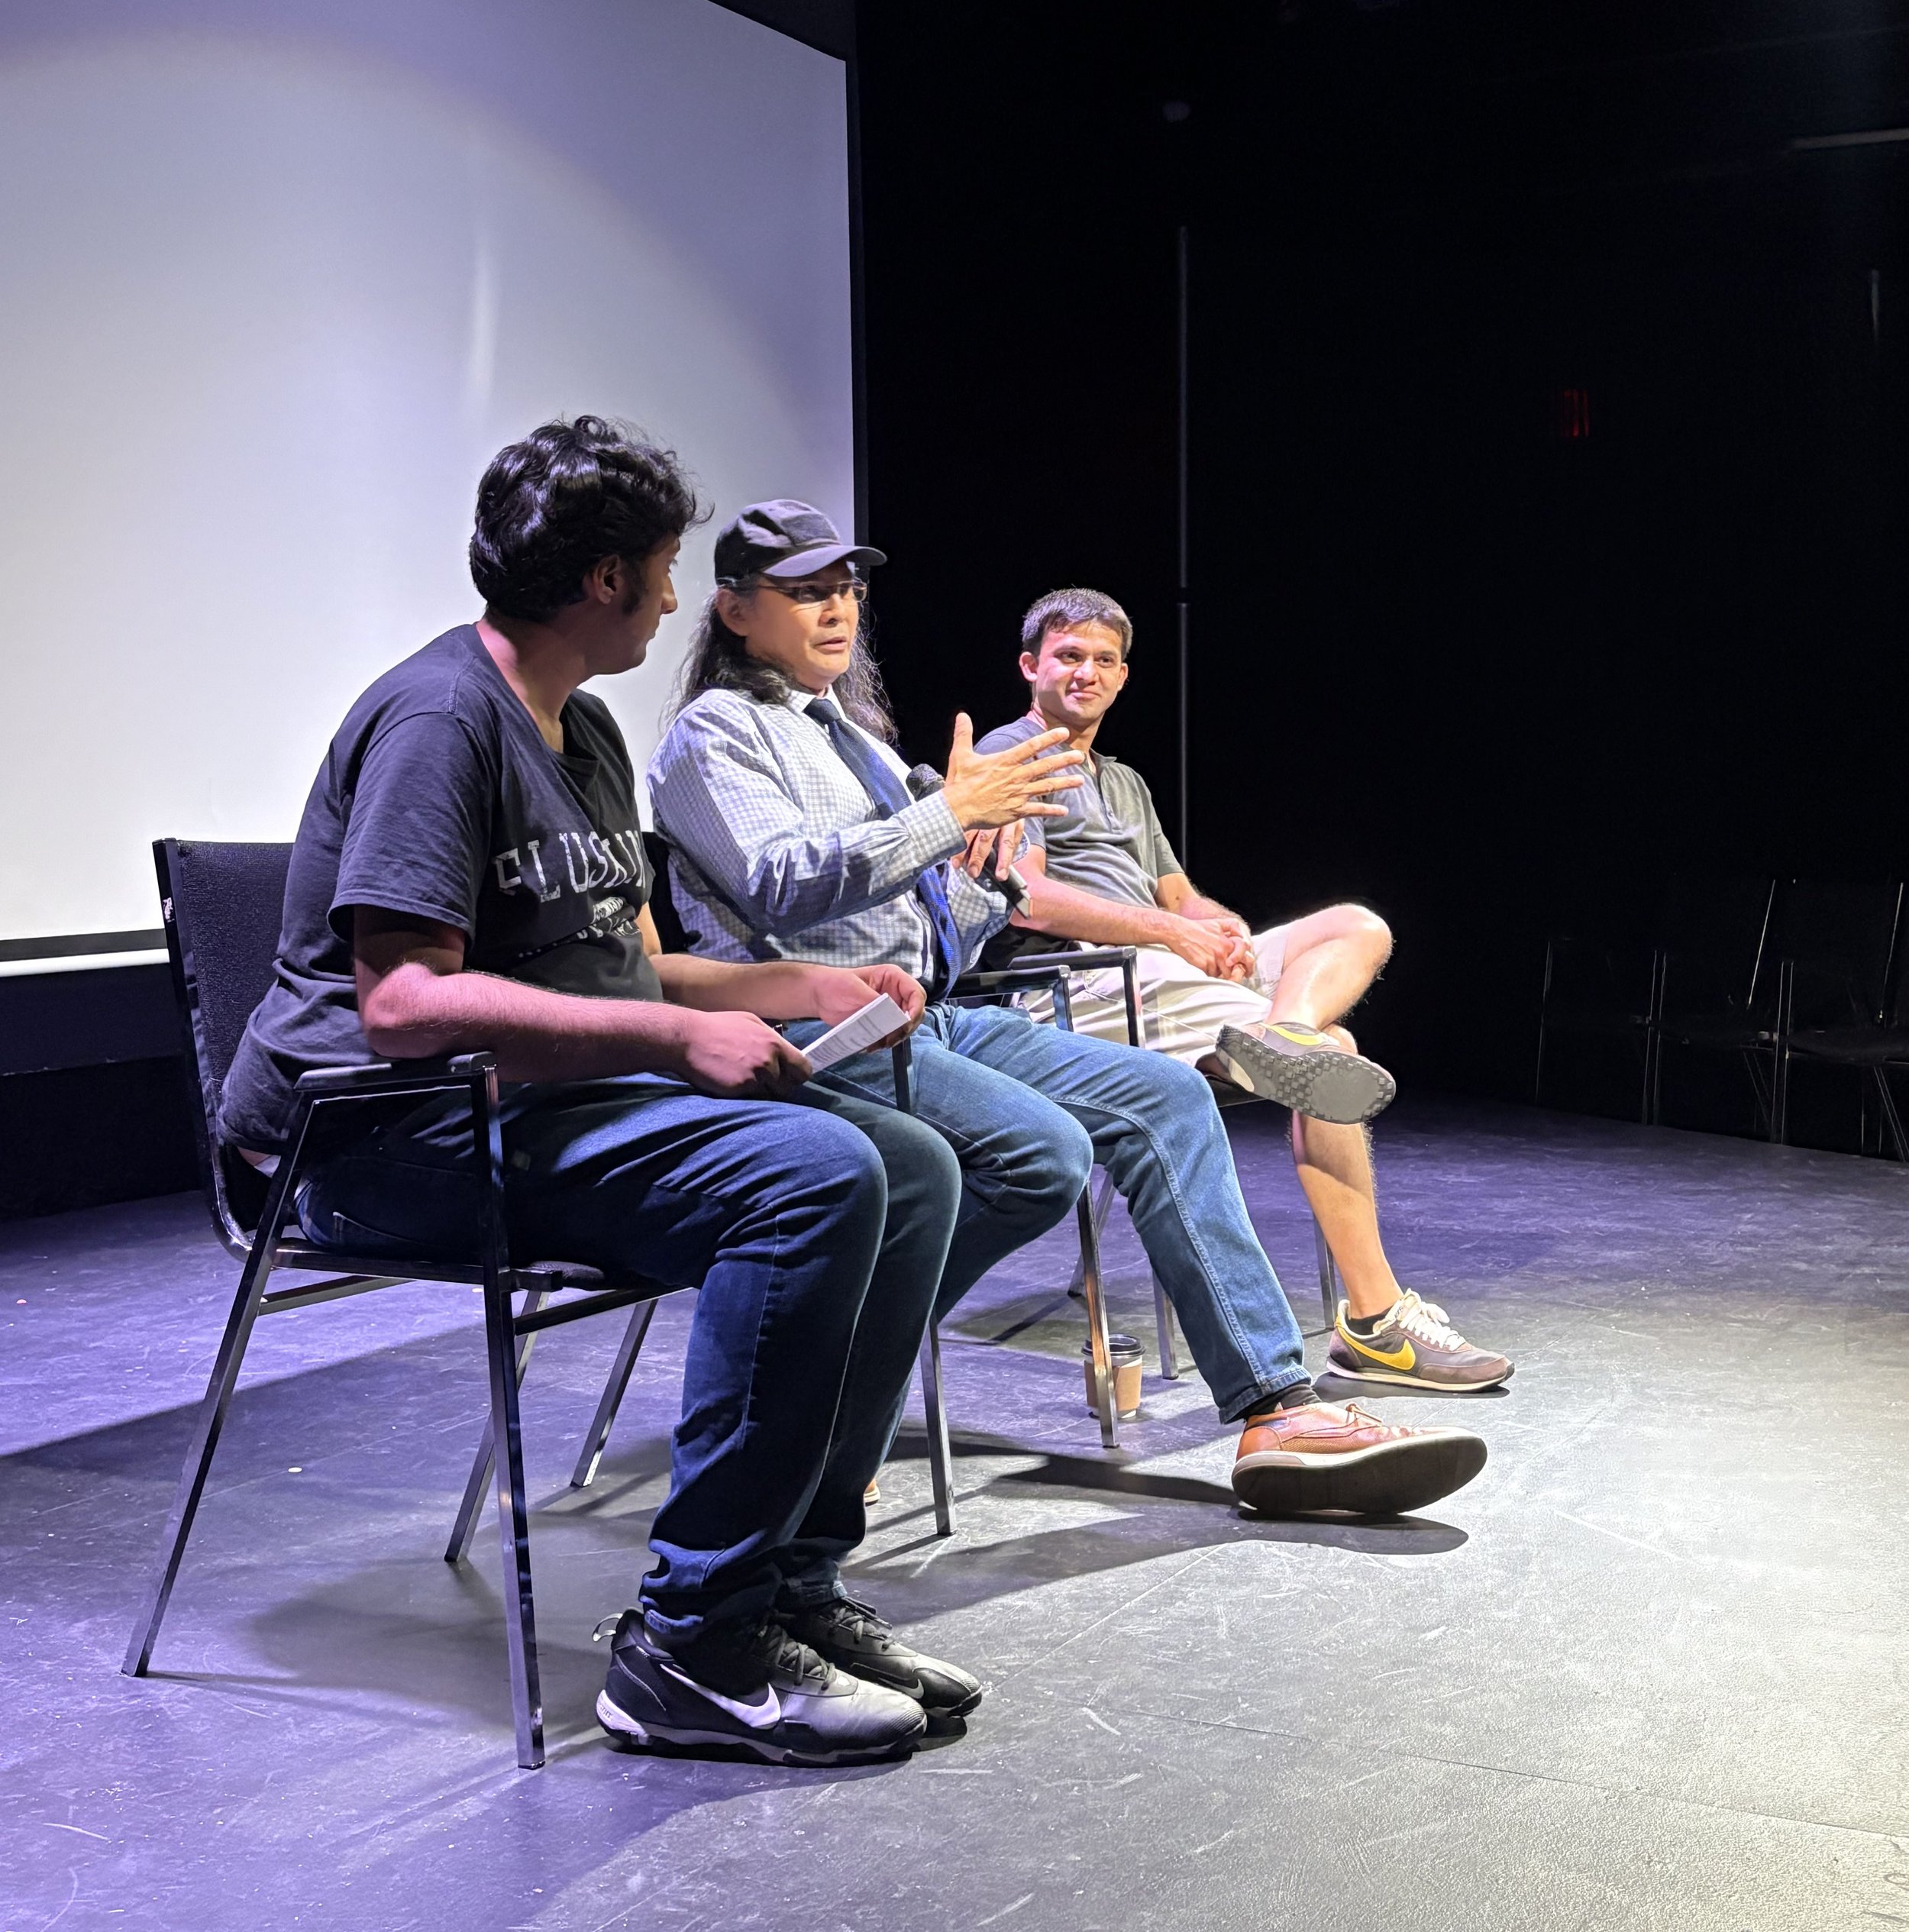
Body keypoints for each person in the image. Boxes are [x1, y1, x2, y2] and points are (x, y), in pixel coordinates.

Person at [219, 418, 991, 1769]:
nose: (679, 597)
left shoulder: (582, 729)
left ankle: (787, 1587)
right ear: (600, 580)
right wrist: (662, 1039)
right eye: (662, 567)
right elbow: (400, 1007)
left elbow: (627, 964)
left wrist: (783, 990)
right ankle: (695, 1635)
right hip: (370, 1138)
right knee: (812, 1178)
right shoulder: (440, 721)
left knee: (913, 1163)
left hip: (516, 1103)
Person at [646, 499, 1488, 1520]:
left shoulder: (851, 741)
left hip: (932, 1014)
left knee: (1171, 1097)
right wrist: (950, 815)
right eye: (807, 589)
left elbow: (937, 937)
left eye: (847, 587)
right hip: (815, 1031)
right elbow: (783, 883)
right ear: (736, 610)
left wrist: (985, 879)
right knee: (1039, 1154)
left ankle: (1278, 1410)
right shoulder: (713, 734)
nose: (839, 608)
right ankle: (839, 1368)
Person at [975, 586, 1512, 1394]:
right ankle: (1373, 1320)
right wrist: (1170, 934)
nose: (1087, 673)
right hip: (1084, 982)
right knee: (1336, 1057)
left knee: (1356, 925)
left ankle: (1280, 1033)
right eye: (1068, 657)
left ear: (1124, 676)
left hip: (1164, 968)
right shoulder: (1009, 757)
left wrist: (1216, 931)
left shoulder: (1122, 781)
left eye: (1104, 660)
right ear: (1030, 666)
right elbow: (1030, 897)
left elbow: (1178, 896)